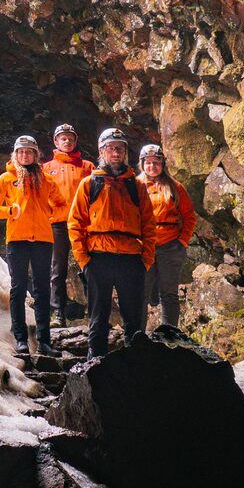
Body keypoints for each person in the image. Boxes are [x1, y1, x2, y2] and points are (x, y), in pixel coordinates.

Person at [66, 127, 156, 358]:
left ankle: (134, 365)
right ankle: (93, 368)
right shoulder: (89, 184)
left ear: (125, 152)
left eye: (120, 148)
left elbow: (148, 224)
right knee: (98, 317)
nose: (115, 152)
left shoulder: (136, 186)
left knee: (133, 319)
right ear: (101, 151)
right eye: (111, 148)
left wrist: (146, 259)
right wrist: (84, 259)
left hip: (130, 258)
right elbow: (75, 223)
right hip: (99, 258)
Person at [0, 135, 64, 357]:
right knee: (18, 289)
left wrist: (48, 216)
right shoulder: (6, 179)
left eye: (29, 152)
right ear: (15, 154)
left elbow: (61, 205)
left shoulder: (46, 179)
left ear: (36, 155)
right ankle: (20, 339)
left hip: (42, 239)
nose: (25, 155)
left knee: (42, 289)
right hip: (17, 239)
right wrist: (9, 211)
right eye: (21, 152)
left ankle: (44, 341)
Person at [138, 143, 197, 329]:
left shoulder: (174, 187)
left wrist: (182, 241)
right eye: (148, 162)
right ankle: (137, 335)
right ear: (142, 164)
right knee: (141, 292)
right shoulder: (135, 186)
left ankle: (169, 333)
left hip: (170, 245)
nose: (152, 166)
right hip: (144, 245)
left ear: (162, 164)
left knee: (169, 293)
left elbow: (189, 217)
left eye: (156, 162)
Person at [43, 123, 93, 326]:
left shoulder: (88, 167)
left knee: (90, 267)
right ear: (56, 141)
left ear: (76, 141)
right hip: (57, 223)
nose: (67, 141)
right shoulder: (46, 168)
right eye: (63, 138)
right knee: (57, 269)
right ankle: (58, 314)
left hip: (83, 223)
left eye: (70, 138)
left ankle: (95, 311)